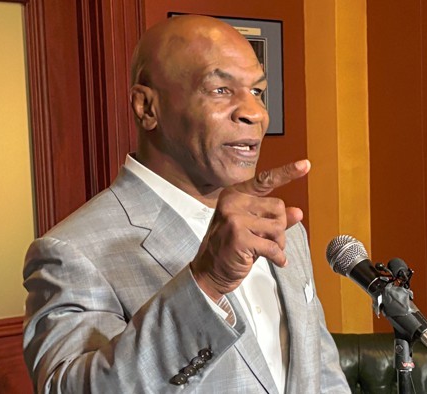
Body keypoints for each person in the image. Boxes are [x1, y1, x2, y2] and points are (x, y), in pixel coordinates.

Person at [22, 14, 350, 393]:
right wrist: (207, 283)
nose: (255, 113)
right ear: (147, 107)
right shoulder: (71, 252)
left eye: (258, 92)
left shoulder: (283, 229)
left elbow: (323, 375)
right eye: (220, 89)